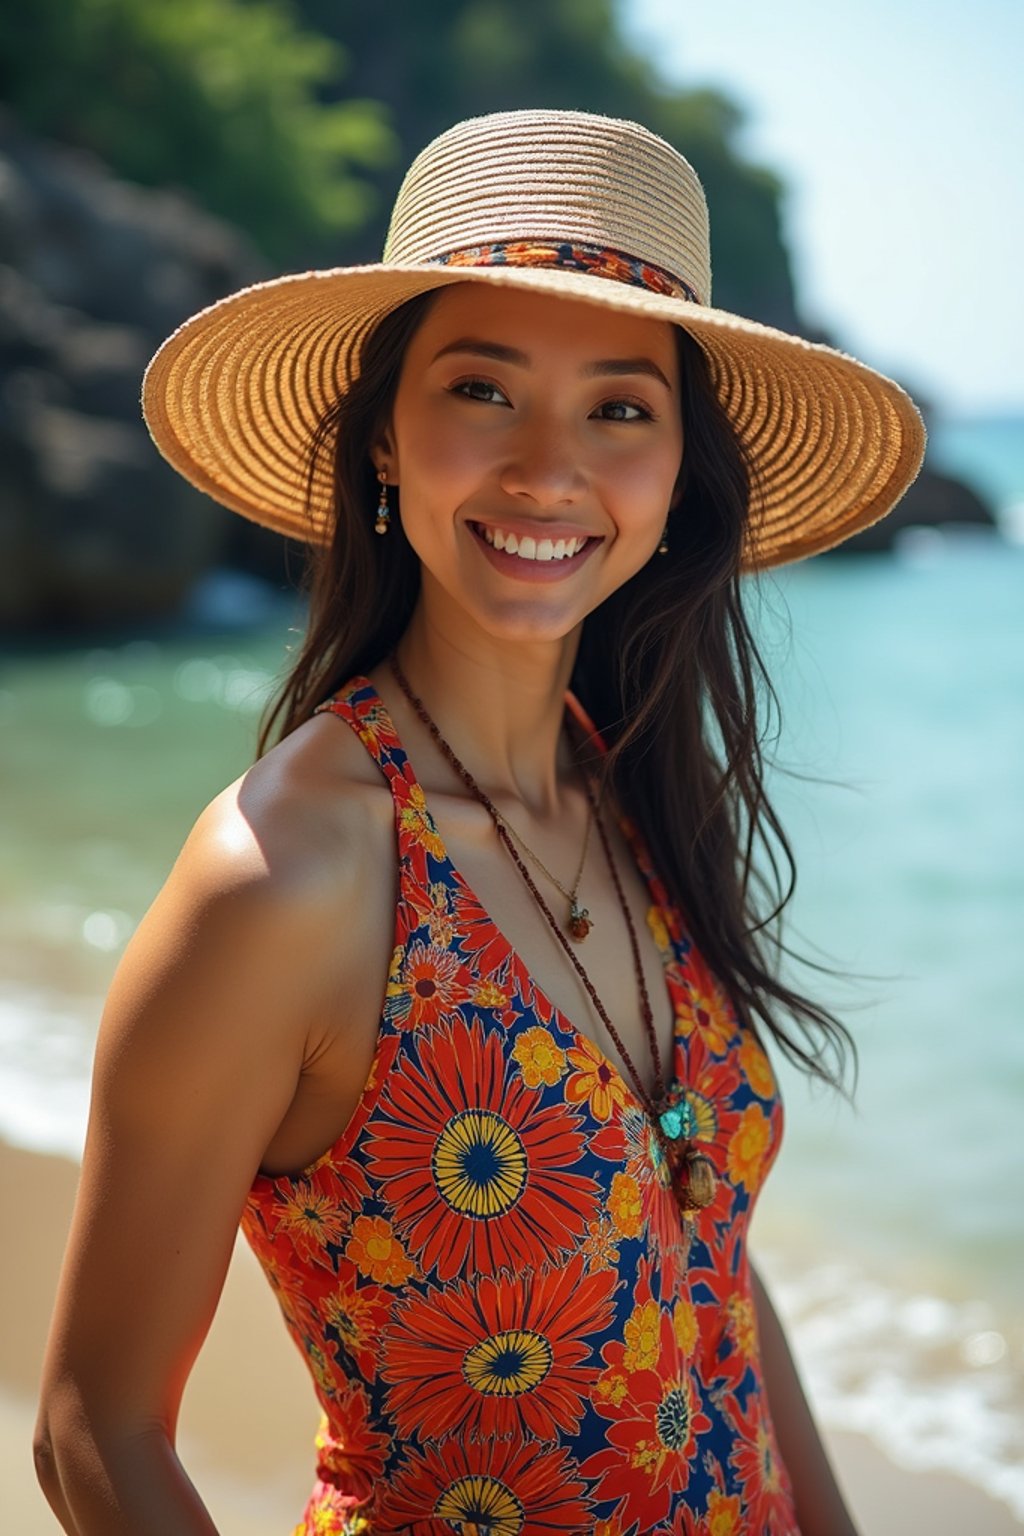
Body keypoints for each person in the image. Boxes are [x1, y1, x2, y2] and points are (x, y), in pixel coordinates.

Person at [35, 108, 924, 1535]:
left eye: (621, 408)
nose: (548, 469)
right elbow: (96, 1430)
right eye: (483, 390)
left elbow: (703, 1251)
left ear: (677, 470)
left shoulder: (627, 788)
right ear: (385, 439)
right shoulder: (289, 875)